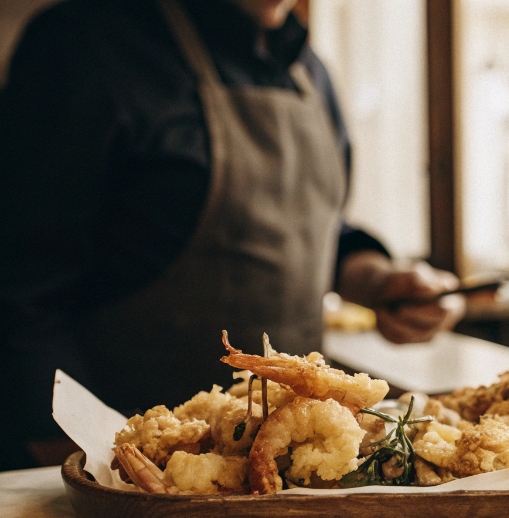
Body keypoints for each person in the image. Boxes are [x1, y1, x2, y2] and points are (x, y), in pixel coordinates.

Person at [0, 0, 465, 471]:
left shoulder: (310, 71)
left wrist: (380, 282)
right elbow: (20, 279)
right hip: (111, 464)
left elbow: (318, 228)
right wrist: (74, 465)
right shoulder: (84, 45)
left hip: (285, 474)